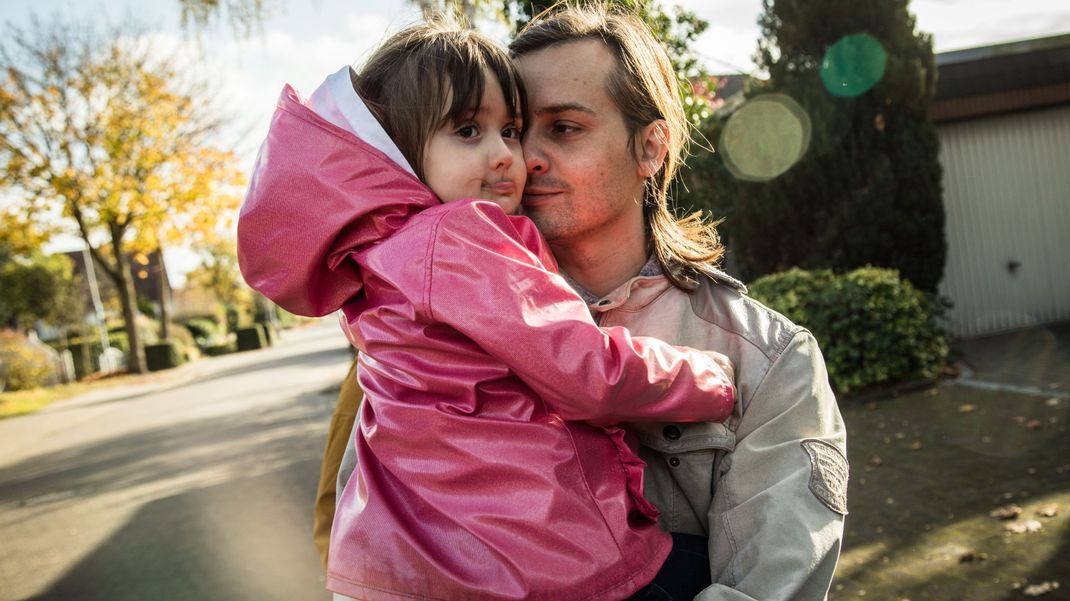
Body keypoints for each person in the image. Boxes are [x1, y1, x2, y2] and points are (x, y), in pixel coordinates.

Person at [238, 21, 738, 601]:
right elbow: (585, 372)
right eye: (468, 131)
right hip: (543, 555)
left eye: (509, 130)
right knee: (697, 569)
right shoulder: (458, 238)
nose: (506, 156)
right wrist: (712, 377)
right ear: (399, 151)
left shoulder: (376, 263)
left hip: (431, 566)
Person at [506, 5, 849, 600]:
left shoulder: (769, 363)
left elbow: (765, 588)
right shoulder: (434, 334)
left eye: (563, 127)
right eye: (512, 130)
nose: (524, 157)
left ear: (651, 147)